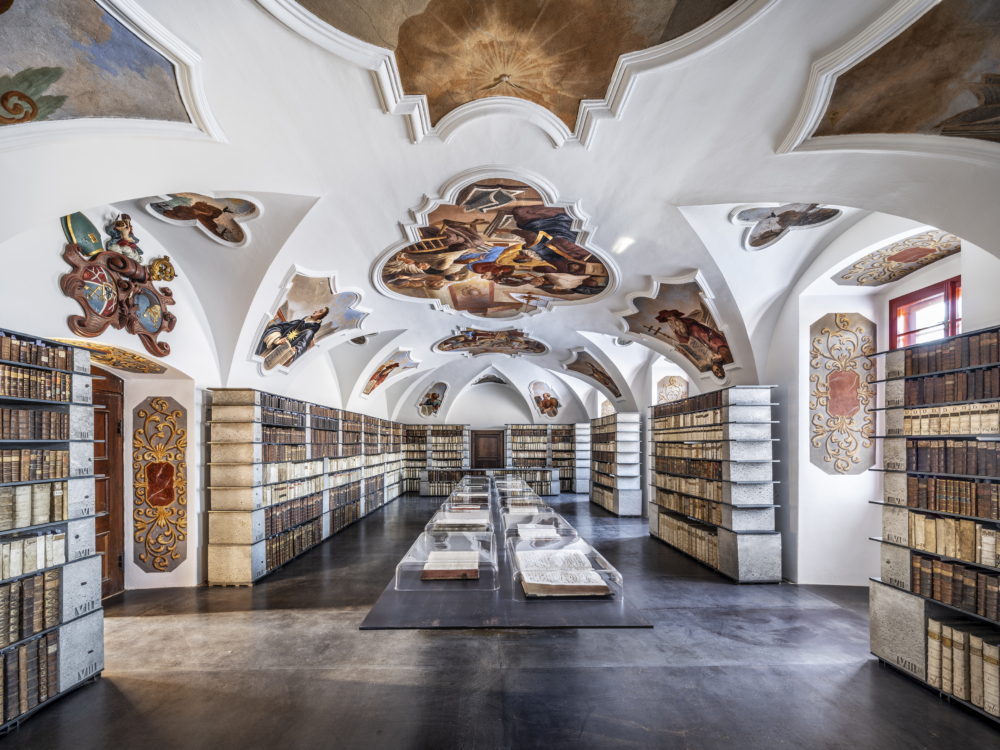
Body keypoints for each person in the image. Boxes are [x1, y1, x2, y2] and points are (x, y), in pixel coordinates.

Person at [655, 308, 733, 379]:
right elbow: (687, 349)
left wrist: (720, 354)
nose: (672, 318)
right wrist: (683, 353)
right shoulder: (678, 332)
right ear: (667, 320)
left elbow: (711, 339)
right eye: (669, 317)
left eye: (673, 315)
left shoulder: (694, 327)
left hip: (715, 351)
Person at [256, 307, 329, 369]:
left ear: (320, 316)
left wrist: (294, 350)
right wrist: (276, 339)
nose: (316, 311)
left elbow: (300, 349)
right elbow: (279, 327)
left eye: (320, 311)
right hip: (270, 349)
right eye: (318, 310)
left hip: (279, 358)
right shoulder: (298, 322)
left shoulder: (309, 332)